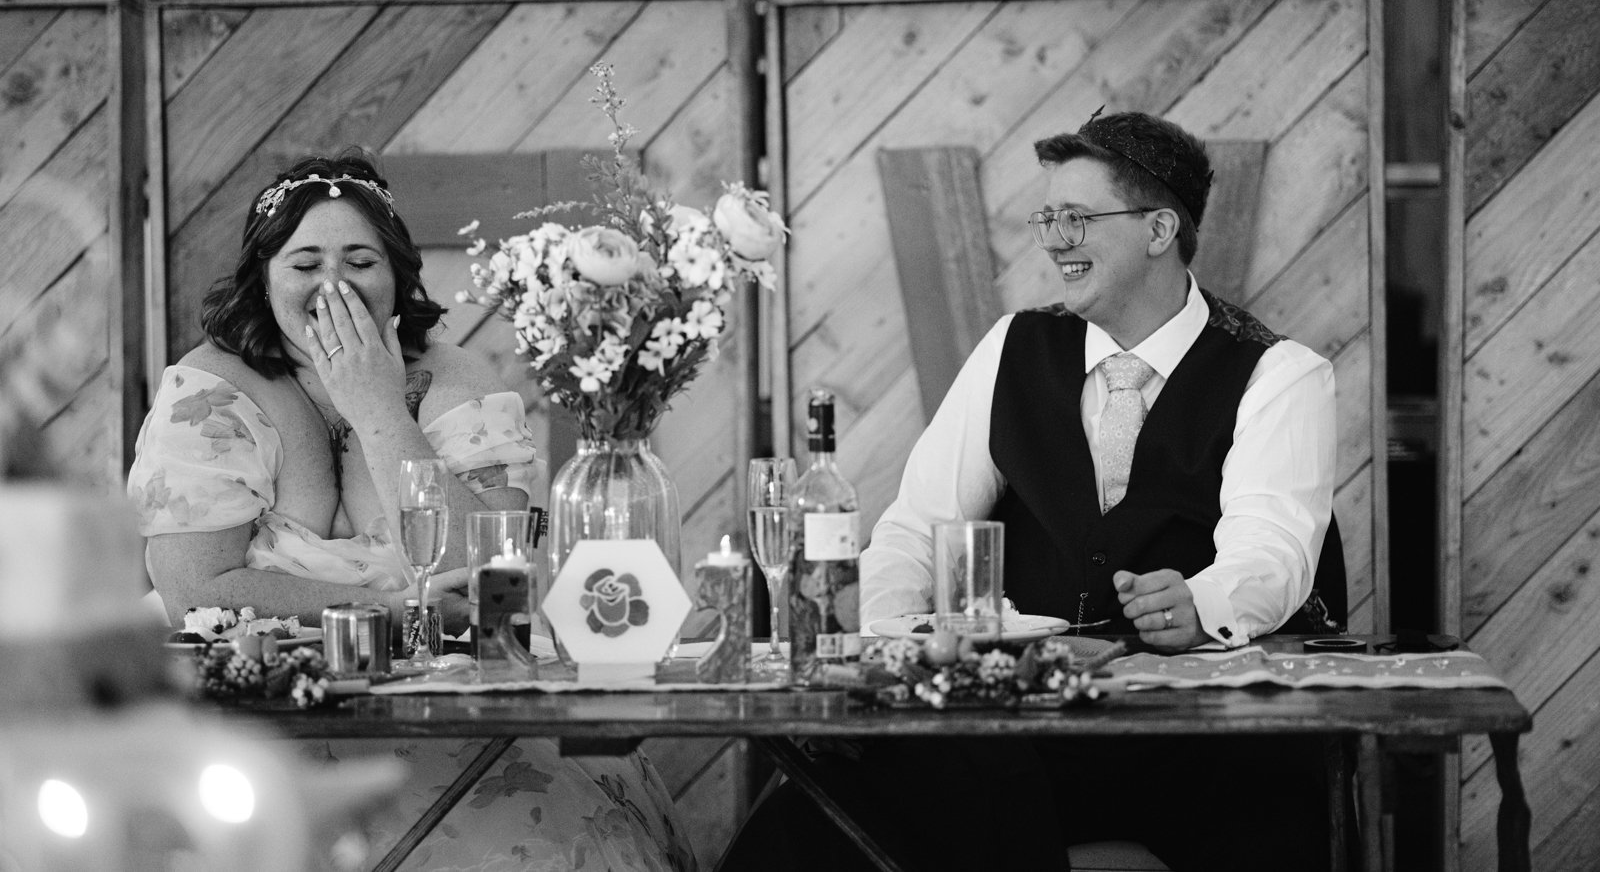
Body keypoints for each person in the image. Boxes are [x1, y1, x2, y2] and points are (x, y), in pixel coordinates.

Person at [723, 111, 1341, 872]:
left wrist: (1202, 603)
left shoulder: (1281, 374)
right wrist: (901, 639)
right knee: (814, 804)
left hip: (1188, 737)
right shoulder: (1012, 346)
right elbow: (916, 525)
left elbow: (1273, 547)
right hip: (1026, 731)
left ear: (1158, 230)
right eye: (1046, 216)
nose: (1052, 238)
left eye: (1076, 217)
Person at [128, 148, 698, 872]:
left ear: (396, 273)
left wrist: (378, 410)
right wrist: (388, 607)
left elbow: (492, 573)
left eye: (360, 260)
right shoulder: (210, 390)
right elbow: (196, 593)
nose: (334, 283)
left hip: (454, 720)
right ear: (264, 277)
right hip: (261, 725)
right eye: (305, 264)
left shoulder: (453, 377)